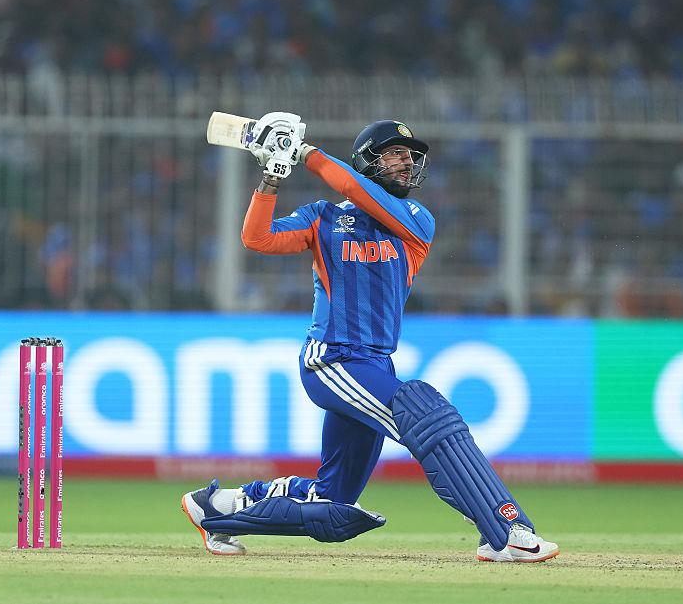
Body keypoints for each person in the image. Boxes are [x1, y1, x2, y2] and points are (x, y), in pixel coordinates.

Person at [181, 113, 559, 562]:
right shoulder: (322, 218)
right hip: (334, 361)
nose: (407, 162)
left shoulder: (416, 221)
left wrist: (307, 153)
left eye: (411, 155)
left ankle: (218, 509)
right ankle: (506, 532)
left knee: (335, 506)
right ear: (366, 160)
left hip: (375, 363)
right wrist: (271, 177)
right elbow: (256, 238)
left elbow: (358, 191)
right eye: (394, 153)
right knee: (426, 413)